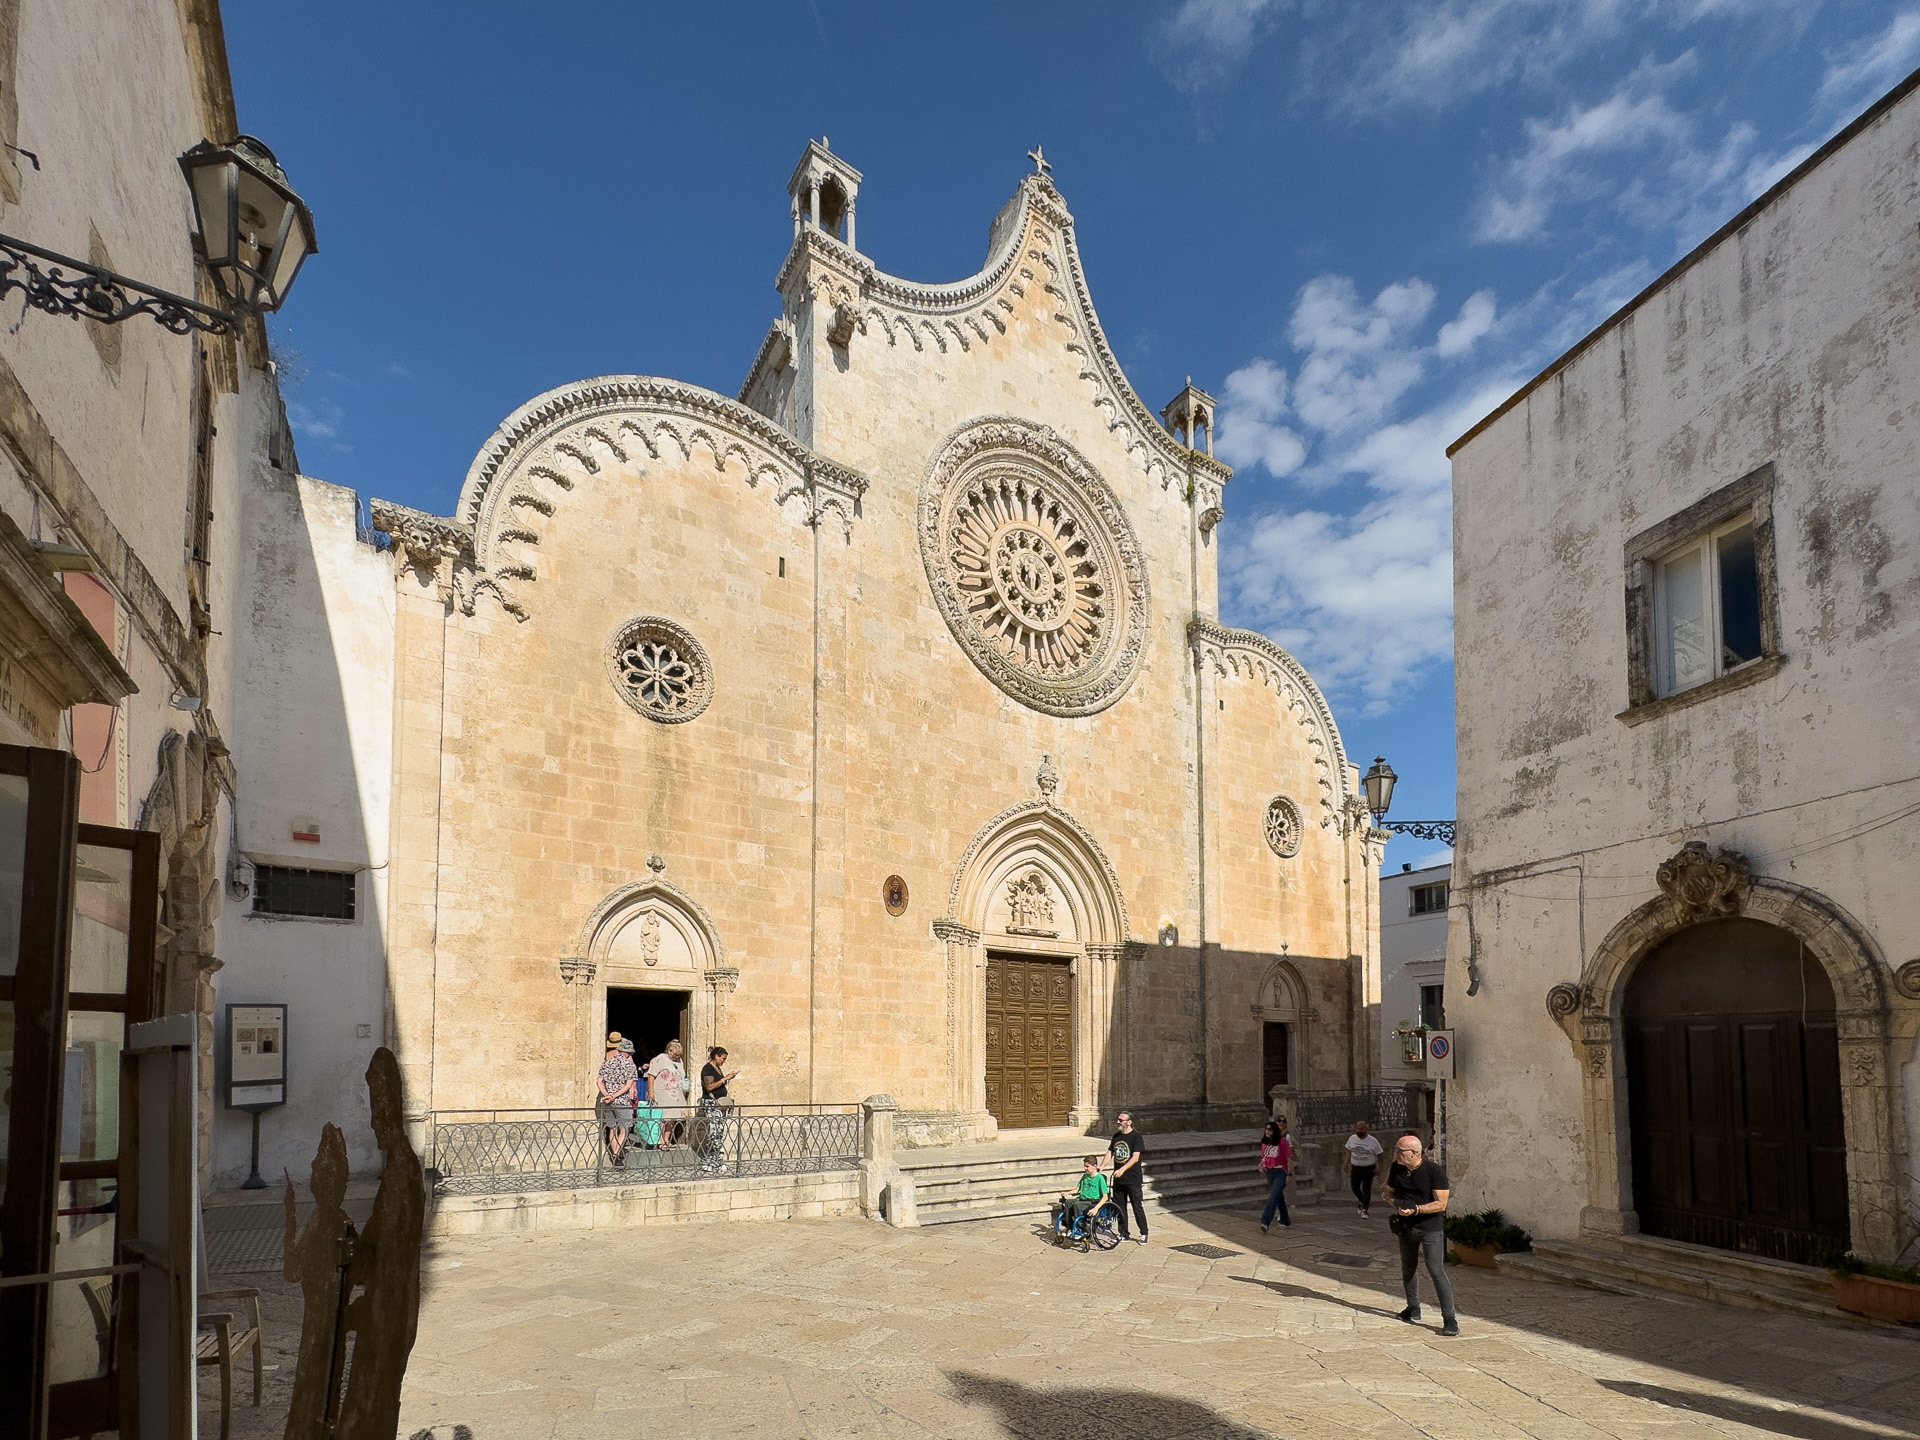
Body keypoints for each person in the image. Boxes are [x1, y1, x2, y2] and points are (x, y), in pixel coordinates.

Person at [1385, 1133, 1458, 1337]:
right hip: (1405, 1227)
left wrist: (1416, 1209)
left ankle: (1449, 1318)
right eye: (1397, 1150)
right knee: (1408, 1268)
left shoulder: (1434, 1171)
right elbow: (1389, 1193)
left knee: (1436, 1270)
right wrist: (1397, 1205)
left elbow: (1441, 1203)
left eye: (1401, 1151)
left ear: (1415, 1153)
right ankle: (1413, 1307)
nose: (1397, 1154)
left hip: (1430, 1229)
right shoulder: (1396, 1168)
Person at [697, 1045, 741, 1173]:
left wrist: (726, 1078)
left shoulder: (717, 1068)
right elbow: (709, 1086)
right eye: (723, 1058)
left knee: (718, 1132)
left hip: (719, 1105)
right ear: (716, 1056)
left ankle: (717, 1159)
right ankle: (710, 1160)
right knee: (714, 1132)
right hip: (712, 1104)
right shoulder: (708, 1069)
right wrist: (725, 1079)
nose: (724, 1061)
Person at [596, 1033, 639, 1164]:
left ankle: (614, 1154)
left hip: (608, 1102)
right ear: (628, 1053)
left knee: (612, 1129)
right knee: (624, 1129)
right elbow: (628, 1085)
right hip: (622, 1101)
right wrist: (615, 1096)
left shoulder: (608, 1063)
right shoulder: (630, 1065)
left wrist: (606, 1094)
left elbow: (599, 1080)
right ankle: (616, 1154)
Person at [1051, 1156, 1112, 1249]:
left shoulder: (1100, 1179)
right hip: (1082, 1199)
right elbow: (1077, 1189)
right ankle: (1070, 1227)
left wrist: (1096, 1209)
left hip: (1092, 1202)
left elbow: (1105, 1197)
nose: (1085, 1168)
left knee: (1077, 1204)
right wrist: (1067, 1193)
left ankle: (1082, 1228)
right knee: (1068, 1202)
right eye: (1084, 1166)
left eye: (1087, 1166)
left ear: (1094, 1166)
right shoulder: (1085, 1177)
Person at [1108, 1111, 1148, 1245]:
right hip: (1119, 1180)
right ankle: (1123, 1233)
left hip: (1133, 1179)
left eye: (1121, 1120)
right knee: (1120, 1207)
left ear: (1129, 1122)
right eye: (1118, 1119)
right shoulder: (1116, 1136)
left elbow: (1135, 1157)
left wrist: (1122, 1169)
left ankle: (1144, 1233)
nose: (1118, 1122)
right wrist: (1101, 1167)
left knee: (1137, 1206)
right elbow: (1110, 1153)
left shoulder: (1136, 1137)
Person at [646, 1039, 689, 1147]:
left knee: (673, 1117)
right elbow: (651, 1075)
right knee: (663, 1118)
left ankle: (666, 1139)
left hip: (676, 1094)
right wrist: (651, 1091)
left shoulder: (679, 1061)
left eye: (678, 1055)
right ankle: (660, 1141)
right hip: (663, 1093)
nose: (675, 1057)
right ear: (669, 1050)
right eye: (674, 1054)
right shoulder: (661, 1058)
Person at [1258, 1118, 1293, 1232]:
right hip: (1269, 1173)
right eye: (1266, 1129)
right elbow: (1264, 1157)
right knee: (1278, 1197)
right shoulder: (1265, 1143)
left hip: (1280, 1172)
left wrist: (1289, 1174)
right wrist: (1262, 1165)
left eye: (1270, 1129)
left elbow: (1289, 1158)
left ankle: (1265, 1222)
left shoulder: (1282, 1142)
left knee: (1273, 1197)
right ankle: (1285, 1220)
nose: (1267, 1131)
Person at [1344, 1119, 1385, 1217]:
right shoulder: (1352, 1139)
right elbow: (1348, 1150)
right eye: (1357, 1129)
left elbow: (1380, 1155)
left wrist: (1379, 1167)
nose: (1359, 1131)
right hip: (1355, 1167)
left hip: (1368, 1168)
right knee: (1354, 1187)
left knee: (1366, 1188)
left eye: (1361, 1129)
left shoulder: (1373, 1141)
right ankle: (1362, 1201)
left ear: (1366, 1129)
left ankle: (1365, 1210)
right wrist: (1346, 1162)